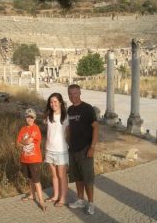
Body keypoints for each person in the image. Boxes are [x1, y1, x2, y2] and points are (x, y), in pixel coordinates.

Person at [67, 84, 99, 215]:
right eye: (70, 94)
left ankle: (91, 203)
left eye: (75, 94)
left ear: (80, 93)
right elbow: (68, 129)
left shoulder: (87, 109)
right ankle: (80, 200)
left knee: (87, 178)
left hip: (85, 148)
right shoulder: (69, 110)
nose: (73, 96)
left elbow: (96, 128)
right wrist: (67, 143)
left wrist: (92, 147)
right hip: (72, 149)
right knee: (77, 177)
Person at [16, 108, 46, 212]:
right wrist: (24, 142)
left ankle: (41, 201)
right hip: (25, 159)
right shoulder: (22, 129)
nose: (29, 119)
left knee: (36, 180)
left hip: (34, 159)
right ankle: (32, 195)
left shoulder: (35, 128)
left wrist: (23, 141)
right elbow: (17, 143)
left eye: (31, 117)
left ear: (34, 118)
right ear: (25, 117)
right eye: (28, 117)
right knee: (29, 179)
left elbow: (29, 141)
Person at [44, 93, 69, 207]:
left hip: (61, 151)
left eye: (55, 101)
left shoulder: (65, 116)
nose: (53, 104)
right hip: (49, 150)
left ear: (60, 102)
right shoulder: (48, 116)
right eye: (51, 102)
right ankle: (55, 195)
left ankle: (63, 198)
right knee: (53, 175)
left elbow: (68, 133)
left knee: (61, 175)